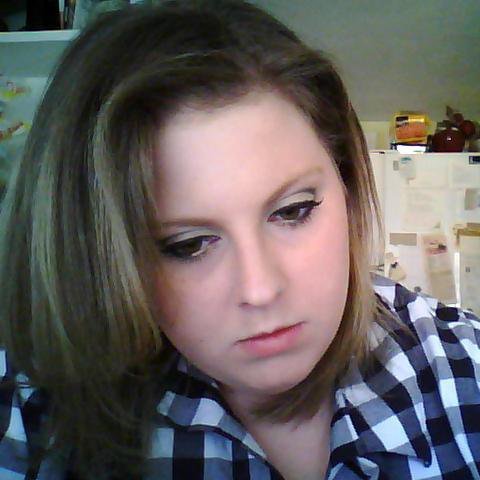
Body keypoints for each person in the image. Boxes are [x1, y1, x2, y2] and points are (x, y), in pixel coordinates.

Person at [0, 1, 479, 479]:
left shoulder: (466, 367)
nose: (260, 289)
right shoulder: (34, 413)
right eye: (189, 244)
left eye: (292, 211)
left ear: (347, 183)